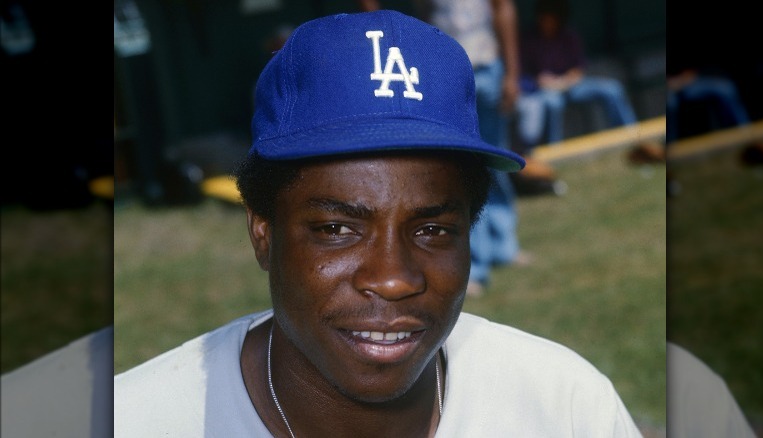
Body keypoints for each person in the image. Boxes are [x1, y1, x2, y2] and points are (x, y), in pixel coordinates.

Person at [113, 10, 643, 437]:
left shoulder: (565, 406)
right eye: (336, 229)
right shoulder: (137, 420)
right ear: (263, 231)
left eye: (432, 229)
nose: (393, 278)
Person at [359, 0, 532, 297]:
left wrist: (512, 74)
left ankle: (504, 246)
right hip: (443, 76)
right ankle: (474, 266)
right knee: (462, 171)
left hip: (488, 66)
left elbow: (504, 9)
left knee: (495, 162)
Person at [515, 0, 641, 151]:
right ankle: (554, 150)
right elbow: (523, 74)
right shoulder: (529, 39)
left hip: (572, 86)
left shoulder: (568, 35)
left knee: (613, 89)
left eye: (551, 20)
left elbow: (579, 69)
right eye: (544, 19)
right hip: (544, 90)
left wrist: (566, 80)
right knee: (552, 103)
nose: (547, 24)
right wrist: (541, 80)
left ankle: (632, 139)